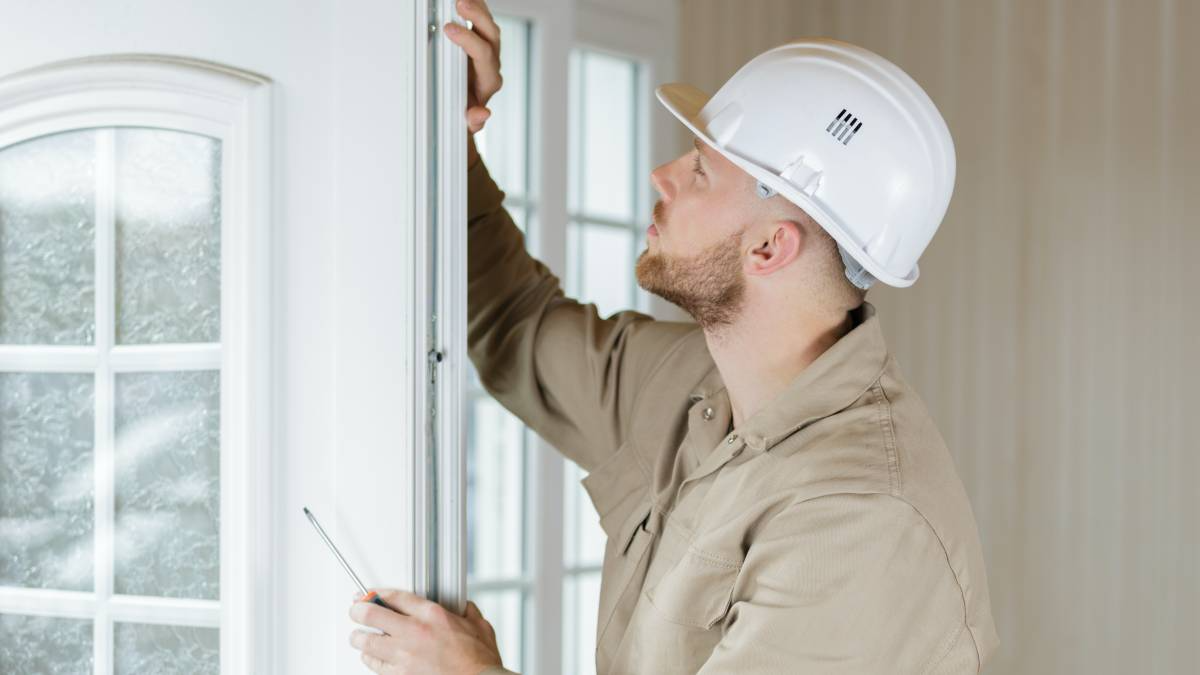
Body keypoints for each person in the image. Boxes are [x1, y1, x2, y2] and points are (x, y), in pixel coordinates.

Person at [348, 1, 999, 673]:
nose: (663, 176)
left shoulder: (859, 520)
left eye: (700, 171)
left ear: (771, 246)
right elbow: (518, 321)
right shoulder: (697, 382)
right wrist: (449, 133)